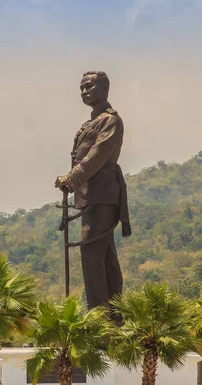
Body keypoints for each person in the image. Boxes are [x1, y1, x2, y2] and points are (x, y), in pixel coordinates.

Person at [55, 70, 131, 309]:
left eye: (89, 86)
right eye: (81, 88)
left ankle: (99, 314)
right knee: (105, 254)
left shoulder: (111, 120)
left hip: (103, 194)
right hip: (90, 195)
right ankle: (113, 313)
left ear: (105, 88)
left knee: (91, 252)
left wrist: (71, 178)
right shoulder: (92, 122)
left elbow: (97, 156)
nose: (84, 91)